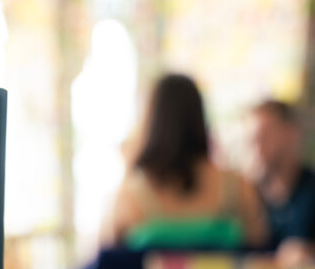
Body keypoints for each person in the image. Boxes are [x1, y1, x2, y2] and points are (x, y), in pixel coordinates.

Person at [102, 73, 266, 249]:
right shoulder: (238, 187)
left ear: (151, 121)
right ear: (200, 117)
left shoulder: (130, 196)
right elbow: (262, 258)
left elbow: (103, 263)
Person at [251, 99, 315, 267]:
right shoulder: (253, 195)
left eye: (265, 135)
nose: (256, 145)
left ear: (291, 133)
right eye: (252, 138)